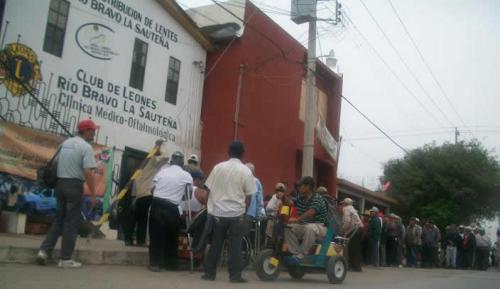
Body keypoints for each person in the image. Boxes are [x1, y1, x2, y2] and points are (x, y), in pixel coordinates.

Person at [36, 119, 98, 268]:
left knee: (58, 220)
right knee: (71, 222)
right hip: (74, 185)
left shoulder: (64, 144)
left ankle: (44, 251)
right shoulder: (86, 147)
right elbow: (88, 171)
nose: (94, 133)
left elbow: (55, 164)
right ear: (86, 131)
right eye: (93, 130)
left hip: (60, 184)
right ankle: (65, 258)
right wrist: (94, 195)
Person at [202, 141, 257, 283]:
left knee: (216, 243)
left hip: (217, 213)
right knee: (236, 245)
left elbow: (208, 189)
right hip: (236, 214)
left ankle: (209, 273)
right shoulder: (246, 171)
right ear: (243, 154)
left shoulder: (217, 167)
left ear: (228, 152)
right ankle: (235, 276)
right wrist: (243, 212)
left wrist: (209, 208)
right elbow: (249, 195)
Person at [148, 151, 193, 272]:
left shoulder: (162, 171)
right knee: (171, 236)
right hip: (172, 207)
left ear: (171, 161)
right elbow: (188, 196)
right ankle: (170, 264)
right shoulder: (186, 175)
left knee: (156, 236)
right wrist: (178, 195)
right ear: (182, 163)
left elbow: (152, 190)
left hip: (157, 204)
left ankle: (155, 264)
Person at [283, 176, 329, 261]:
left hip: (321, 227)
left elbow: (311, 212)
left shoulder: (317, 198)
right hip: (305, 226)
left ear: (307, 187)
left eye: (301, 186)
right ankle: (295, 253)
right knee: (288, 227)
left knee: (310, 227)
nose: (298, 188)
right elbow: (290, 202)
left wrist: (297, 219)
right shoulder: (300, 198)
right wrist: (284, 198)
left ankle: (302, 254)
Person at [341, 197, 364, 272]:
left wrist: (343, 230)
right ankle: (357, 267)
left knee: (351, 249)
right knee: (357, 249)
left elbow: (347, 221)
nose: (342, 205)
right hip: (359, 229)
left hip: (354, 229)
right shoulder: (353, 209)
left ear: (345, 203)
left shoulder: (346, 209)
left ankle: (352, 266)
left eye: (343, 203)